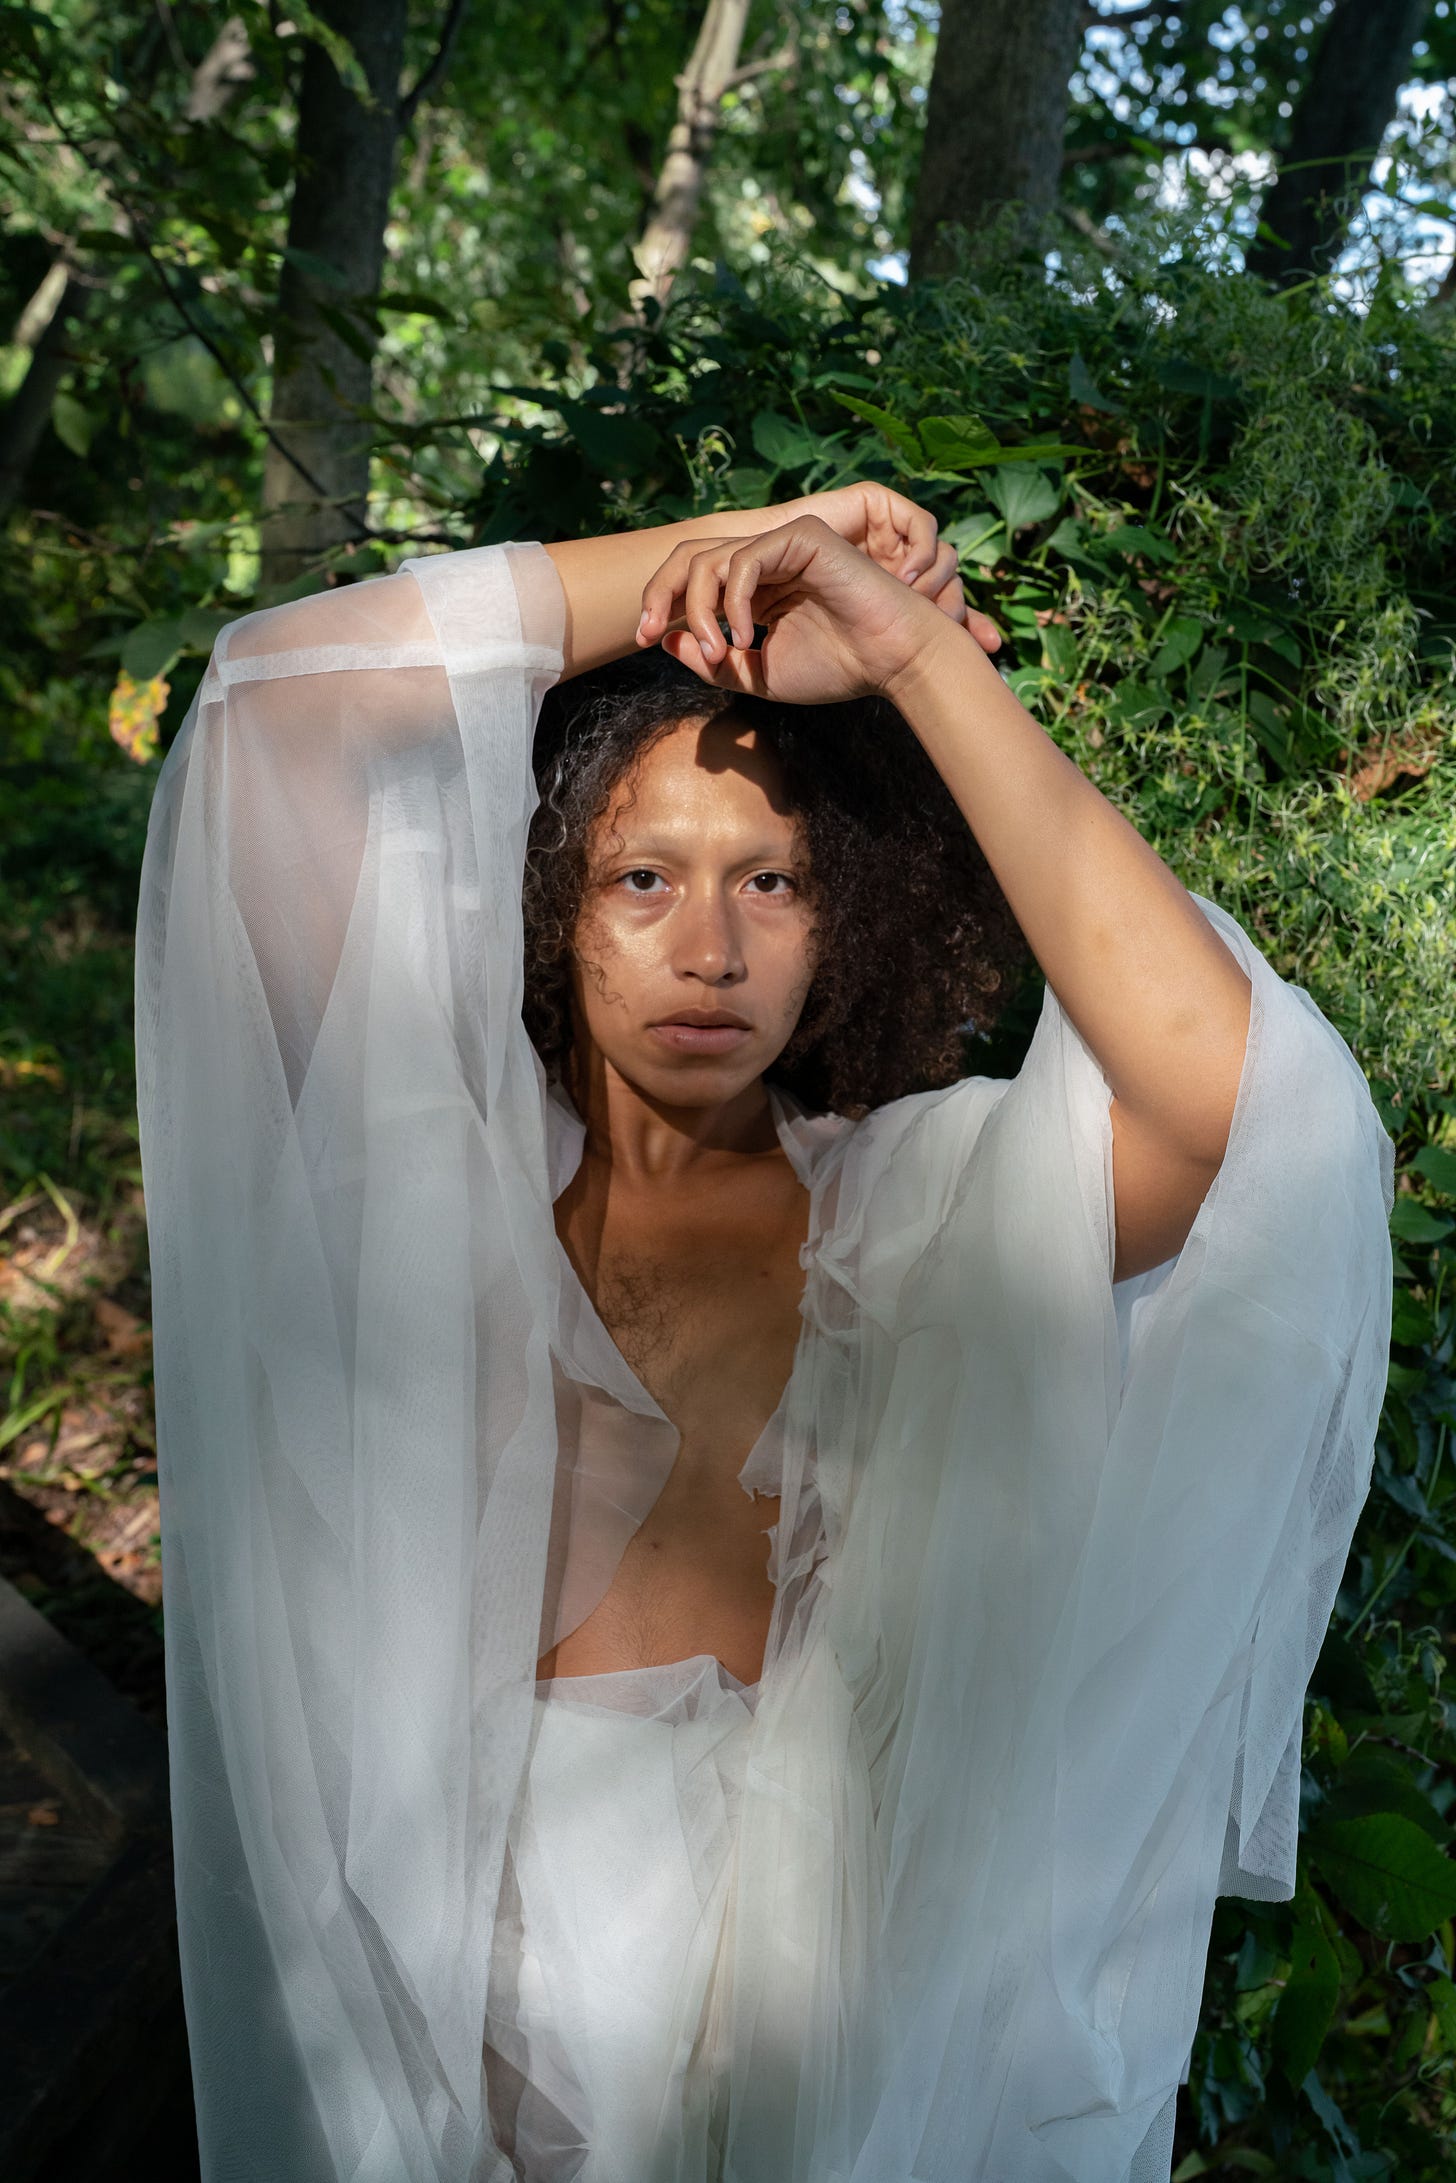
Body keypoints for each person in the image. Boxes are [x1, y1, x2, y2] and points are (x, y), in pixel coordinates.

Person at [134, 485, 1394, 2183]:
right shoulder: (421, 1203)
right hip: (429, 2129)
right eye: (641, 877)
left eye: (773, 881)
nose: (709, 950)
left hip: (846, 2125)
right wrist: (751, 553)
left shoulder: (914, 1223)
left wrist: (917, 656)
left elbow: (1245, 1118)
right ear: (547, 903)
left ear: (845, 915)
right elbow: (272, 703)